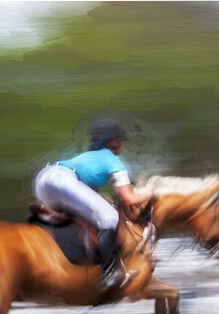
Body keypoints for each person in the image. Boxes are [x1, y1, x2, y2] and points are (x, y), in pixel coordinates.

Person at [33, 119, 153, 290]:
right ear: (114, 141)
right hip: (63, 181)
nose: (121, 145)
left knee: (83, 218)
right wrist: (153, 192)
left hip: (44, 180)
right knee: (110, 217)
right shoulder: (113, 160)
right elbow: (129, 199)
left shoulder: (88, 157)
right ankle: (110, 275)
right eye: (120, 140)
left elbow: (91, 195)